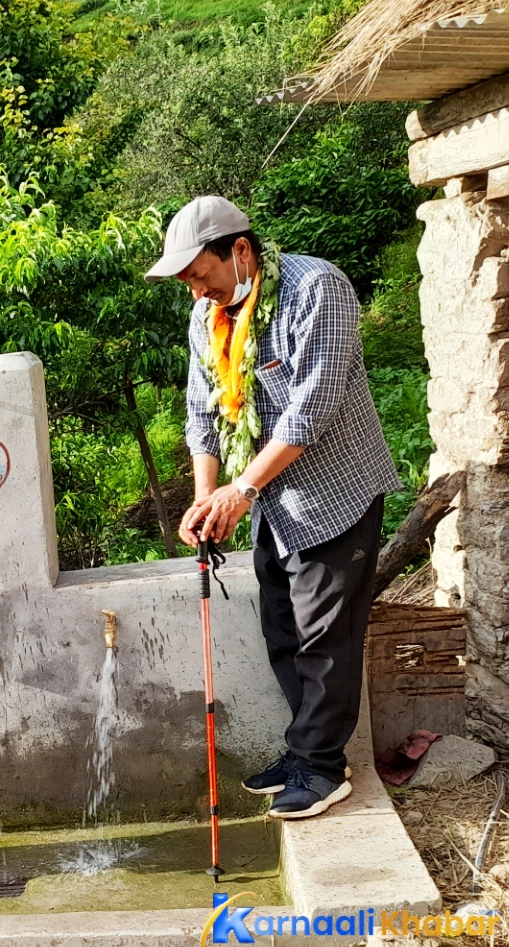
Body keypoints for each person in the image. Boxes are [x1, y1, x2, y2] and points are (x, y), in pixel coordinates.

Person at [148, 196, 401, 821]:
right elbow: (202, 412)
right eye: (186, 285)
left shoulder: (317, 289)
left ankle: (322, 768)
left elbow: (309, 408)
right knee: (283, 631)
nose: (197, 293)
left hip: (335, 493)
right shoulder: (207, 316)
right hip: (269, 501)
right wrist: (208, 495)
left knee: (325, 637)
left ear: (239, 251)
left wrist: (241, 491)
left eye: (201, 276)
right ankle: (307, 751)